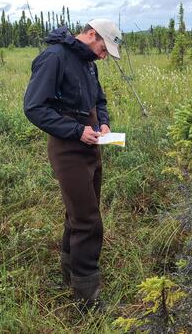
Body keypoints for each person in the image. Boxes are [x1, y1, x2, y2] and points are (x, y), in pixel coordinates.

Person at [24, 19, 122, 309]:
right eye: (103, 49)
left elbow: (99, 100)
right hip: (68, 150)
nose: (103, 56)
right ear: (91, 35)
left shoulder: (88, 62)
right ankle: (87, 297)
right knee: (88, 221)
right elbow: (34, 107)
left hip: (92, 147)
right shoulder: (54, 57)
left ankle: (69, 274)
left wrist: (103, 124)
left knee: (77, 214)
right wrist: (76, 130)